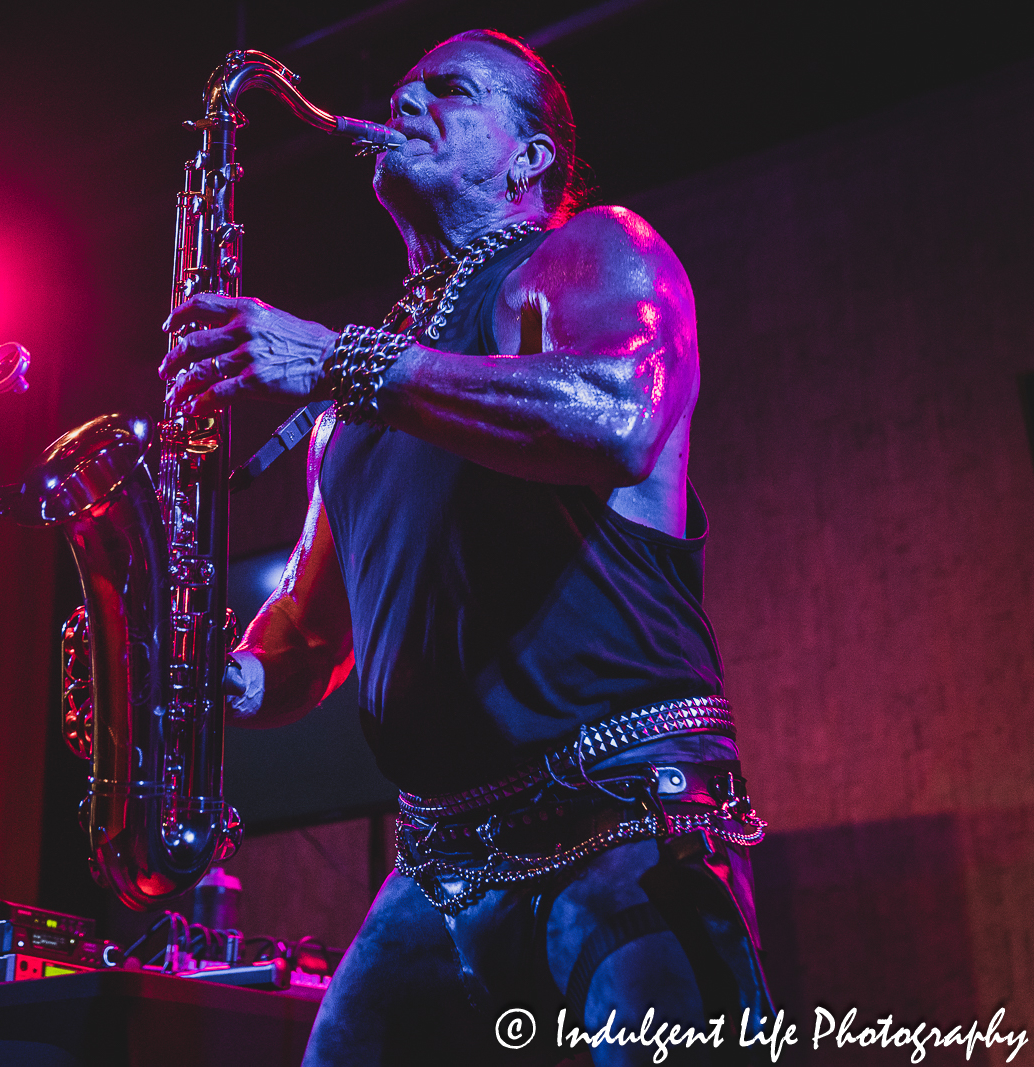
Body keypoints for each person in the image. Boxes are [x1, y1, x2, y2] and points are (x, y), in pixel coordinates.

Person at [160, 29, 773, 1066]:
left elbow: (615, 415)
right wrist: (199, 674)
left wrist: (340, 358)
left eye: (447, 90)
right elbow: (310, 641)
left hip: (622, 811)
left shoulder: (588, 250)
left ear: (530, 157)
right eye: (401, 92)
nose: (407, 104)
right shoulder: (343, 409)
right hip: (440, 858)